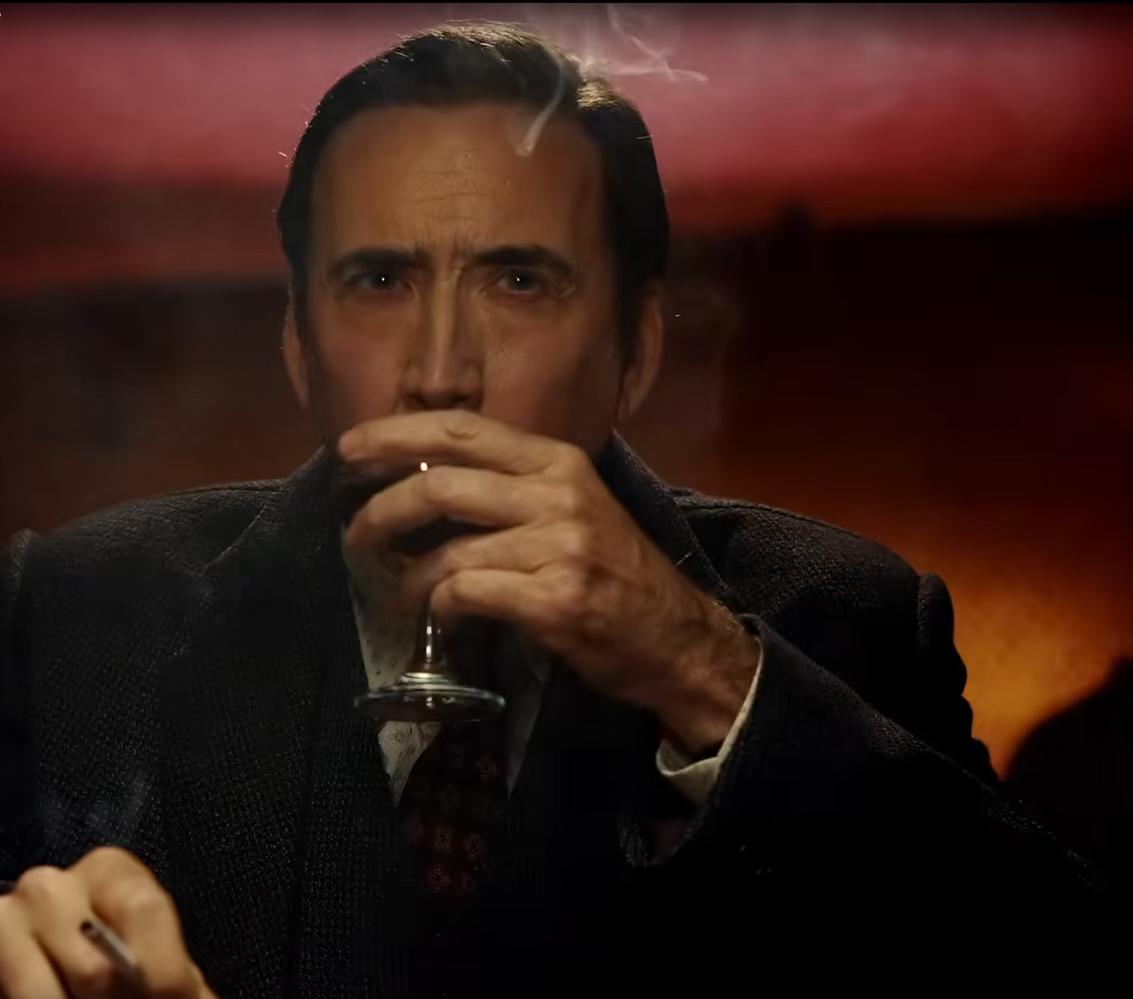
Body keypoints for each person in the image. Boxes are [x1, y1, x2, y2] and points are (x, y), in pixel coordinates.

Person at [0, 21, 1113, 998]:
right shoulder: (72, 610)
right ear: (298, 343)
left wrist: (703, 668)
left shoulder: (850, 618)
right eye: (379, 281)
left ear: (636, 350)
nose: (441, 373)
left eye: (518, 281)